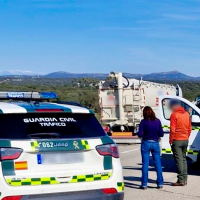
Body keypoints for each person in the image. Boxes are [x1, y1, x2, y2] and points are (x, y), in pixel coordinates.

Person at [138, 106, 164, 190]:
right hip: (156, 143)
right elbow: (161, 134)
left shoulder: (143, 122)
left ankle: (144, 184)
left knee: (145, 164)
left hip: (146, 143)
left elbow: (140, 134)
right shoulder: (157, 121)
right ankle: (160, 183)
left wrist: (140, 134)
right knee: (158, 164)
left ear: (144, 113)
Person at [169, 100, 192, 186]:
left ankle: (181, 180)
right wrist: (186, 136)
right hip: (185, 139)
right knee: (183, 159)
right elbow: (190, 128)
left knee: (179, 160)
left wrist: (171, 140)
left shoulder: (174, 115)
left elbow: (172, 129)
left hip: (177, 139)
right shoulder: (186, 114)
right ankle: (185, 179)